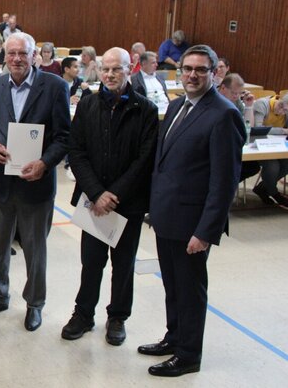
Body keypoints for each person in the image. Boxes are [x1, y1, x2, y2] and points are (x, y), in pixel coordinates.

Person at [140, 45, 245, 377]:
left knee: (190, 290)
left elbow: (224, 182)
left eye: (201, 70)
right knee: (172, 285)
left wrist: (205, 232)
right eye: (187, 69)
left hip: (192, 223)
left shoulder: (224, 114)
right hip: (166, 216)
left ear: (214, 73)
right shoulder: (175, 107)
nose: (192, 75)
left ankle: (188, 355)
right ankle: (174, 337)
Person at [0, 32, 71, 332]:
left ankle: (34, 304)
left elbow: (64, 136)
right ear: (5, 55)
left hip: (36, 183)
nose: (17, 59)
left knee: (34, 250)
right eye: (12, 53)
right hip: (3, 182)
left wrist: (44, 163)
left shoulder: (55, 87)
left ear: (35, 55)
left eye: (23, 53)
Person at [61, 48, 158, 346]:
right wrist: (96, 193)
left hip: (126, 204)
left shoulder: (145, 110)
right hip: (93, 203)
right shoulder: (88, 105)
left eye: (117, 69)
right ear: (100, 71)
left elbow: (145, 158)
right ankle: (83, 314)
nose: (111, 74)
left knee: (124, 263)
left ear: (131, 69)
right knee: (91, 261)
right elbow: (76, 152)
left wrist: (114, 194)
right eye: (106, 69)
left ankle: (117, 317)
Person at [251, 94, 288, 208]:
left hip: (278, 146)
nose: (282, 112)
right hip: (258, 146)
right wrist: (282, 130)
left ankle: (262, 188)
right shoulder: (262, 104)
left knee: (286, 163)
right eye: (282, 107)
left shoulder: (286, 112)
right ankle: (274, 193)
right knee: (273, 166)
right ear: (280, 102)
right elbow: (258, 128)